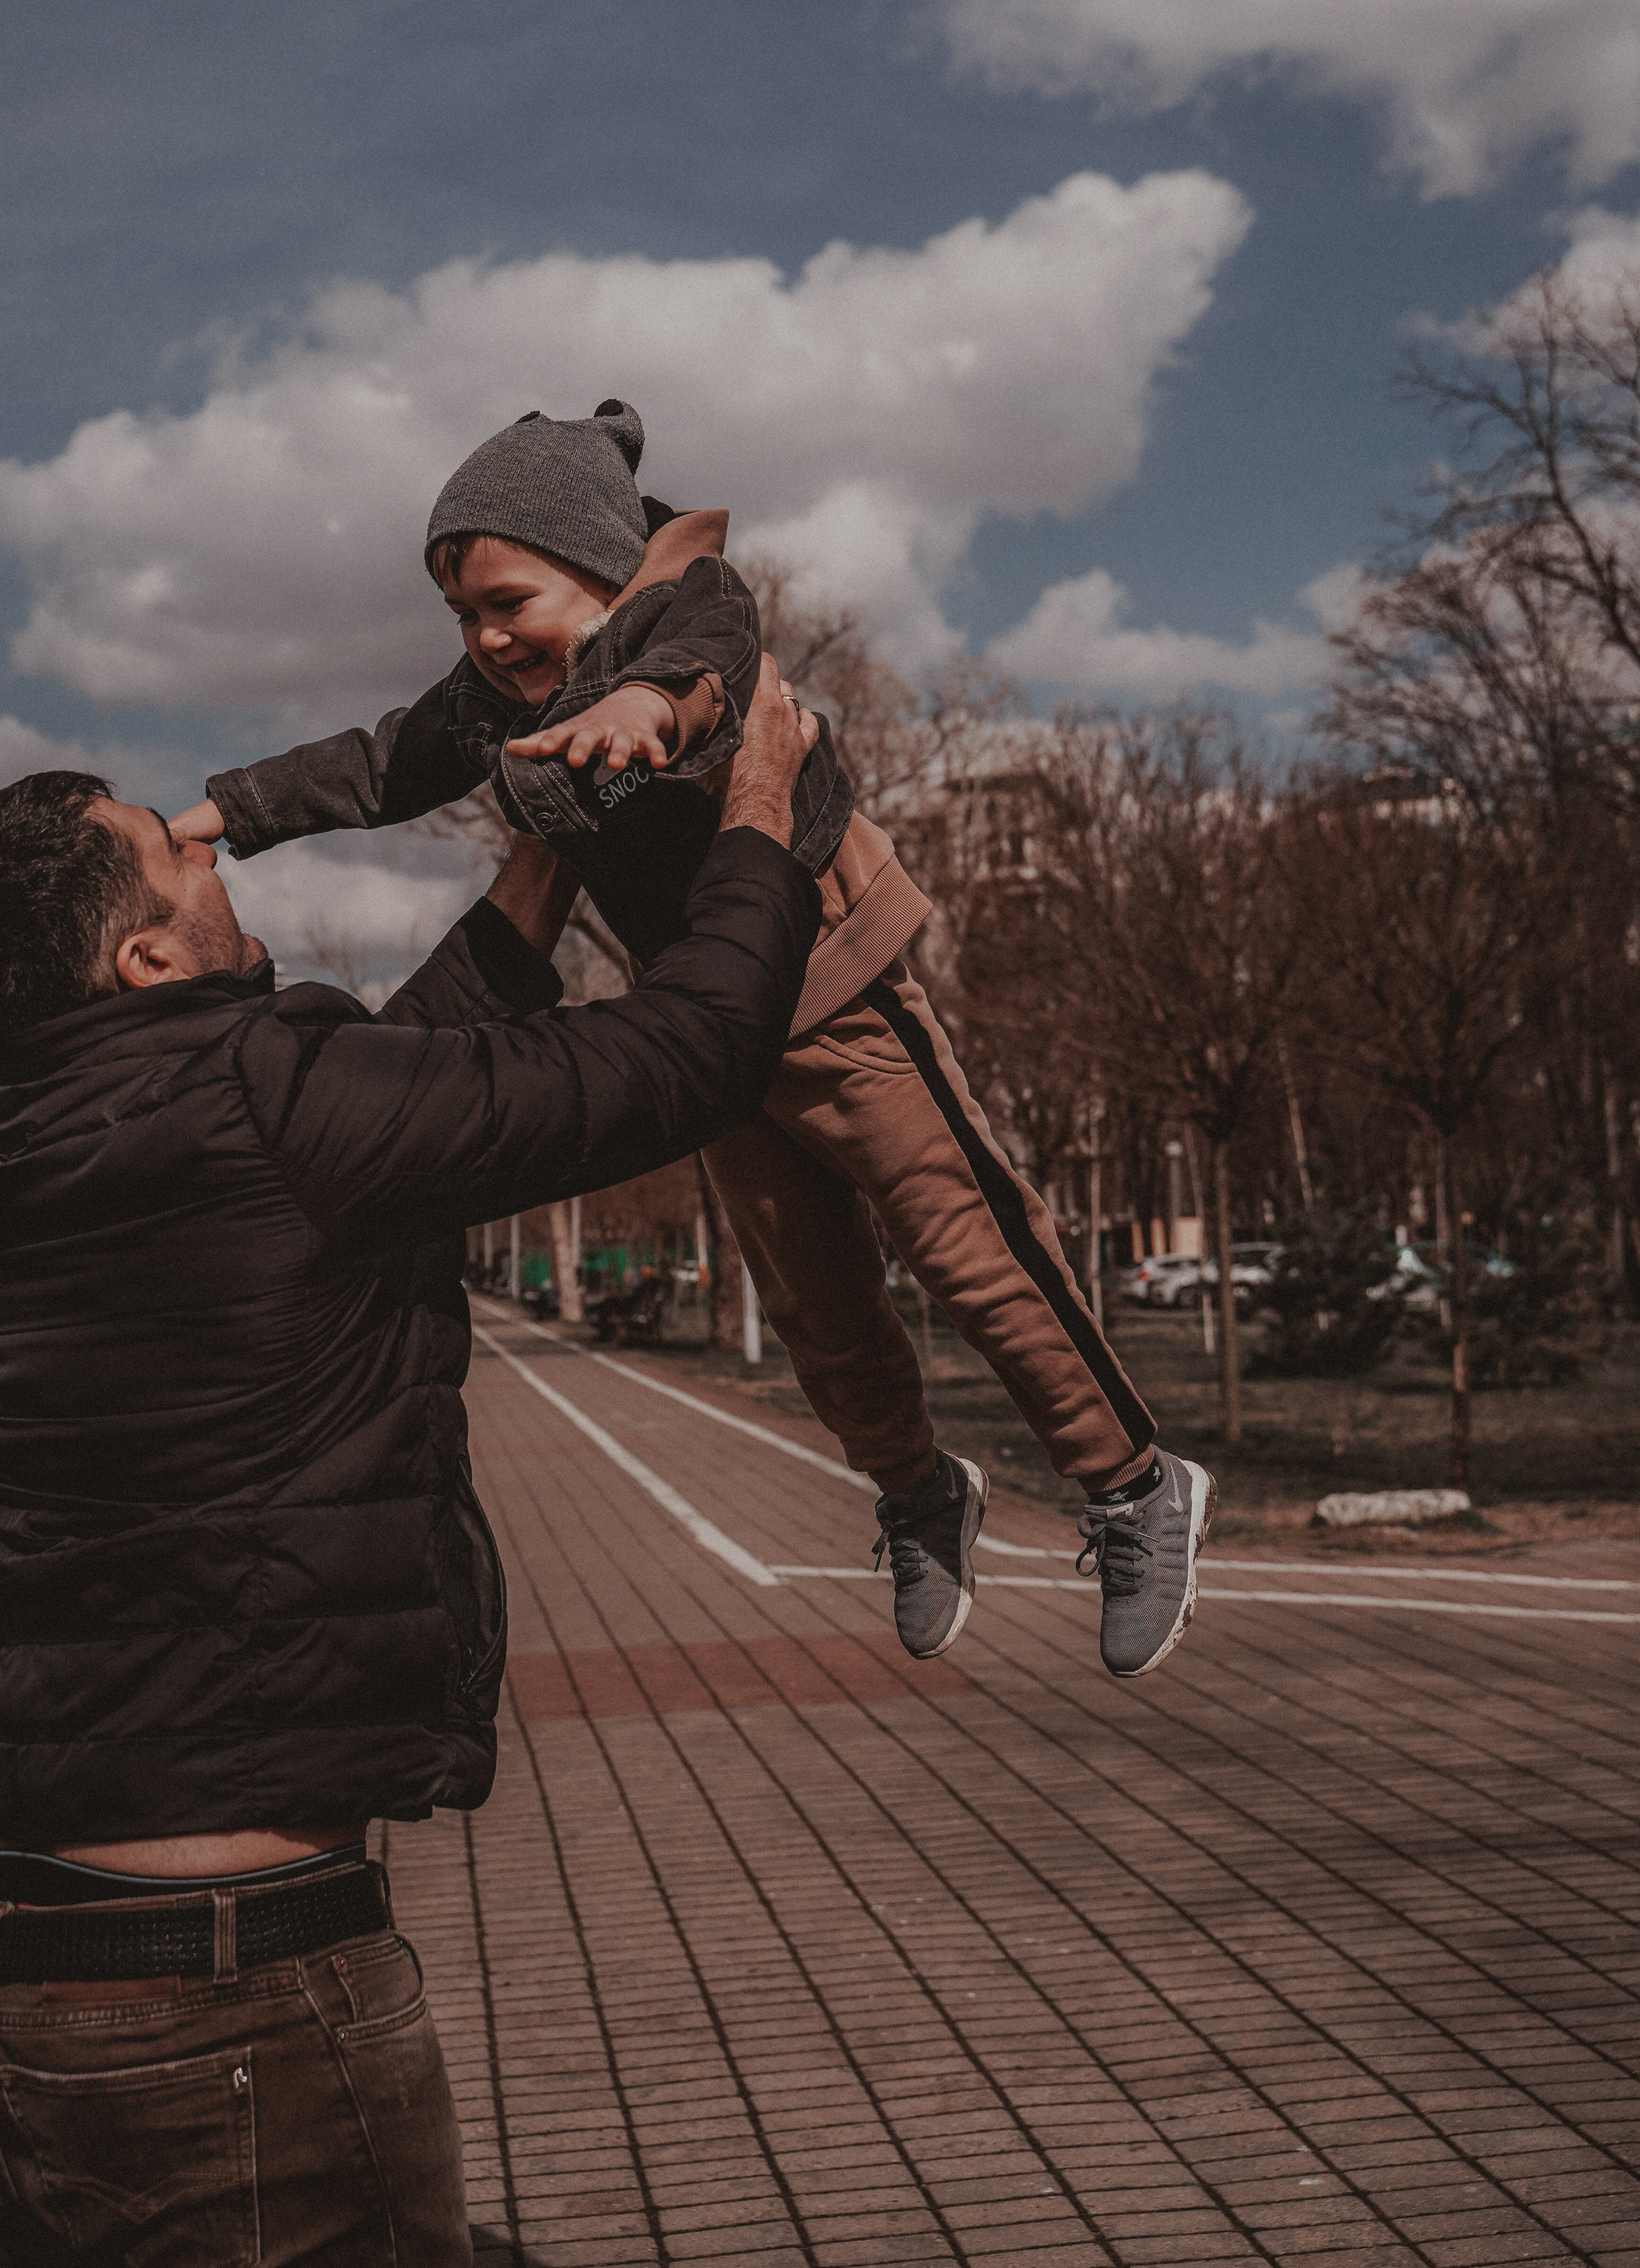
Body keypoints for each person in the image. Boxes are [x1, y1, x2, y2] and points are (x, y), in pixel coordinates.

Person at [0, 660, 820, 2268]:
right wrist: (760, 820)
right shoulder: (263, 1106)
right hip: (216, 1996)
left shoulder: (15, 1131)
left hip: (0, 1962)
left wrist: (539, 865)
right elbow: (684, 1057)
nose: (214, 852)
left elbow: (381, 1103)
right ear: (144, 957)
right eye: (178, 856)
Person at [173, 401, 1211, 1679]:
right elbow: (385, 762)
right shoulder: (497, 694)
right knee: (815, 1300)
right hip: (712, 1022)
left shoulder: (689, 602)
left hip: (835, 982)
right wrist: (237, 811)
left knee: (965, 1237)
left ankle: (1130, 1480)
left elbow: (708, 669)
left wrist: (649, 718)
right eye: (464, 618)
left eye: (510, 601)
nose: (489, 639)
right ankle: (917, 1489)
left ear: (600, 565)